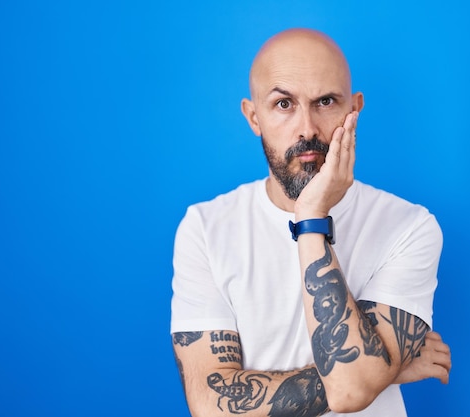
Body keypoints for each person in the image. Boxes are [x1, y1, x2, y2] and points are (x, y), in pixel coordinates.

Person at [170, 28, 451, 417]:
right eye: (284, 104)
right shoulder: (204, 229)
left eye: (325, 102)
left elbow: (353, 390)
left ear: (353, 109)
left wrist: (311, 218)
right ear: (254, 117)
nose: (307, 128)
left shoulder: (409, 227)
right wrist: (382, 369)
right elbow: (208, 405)